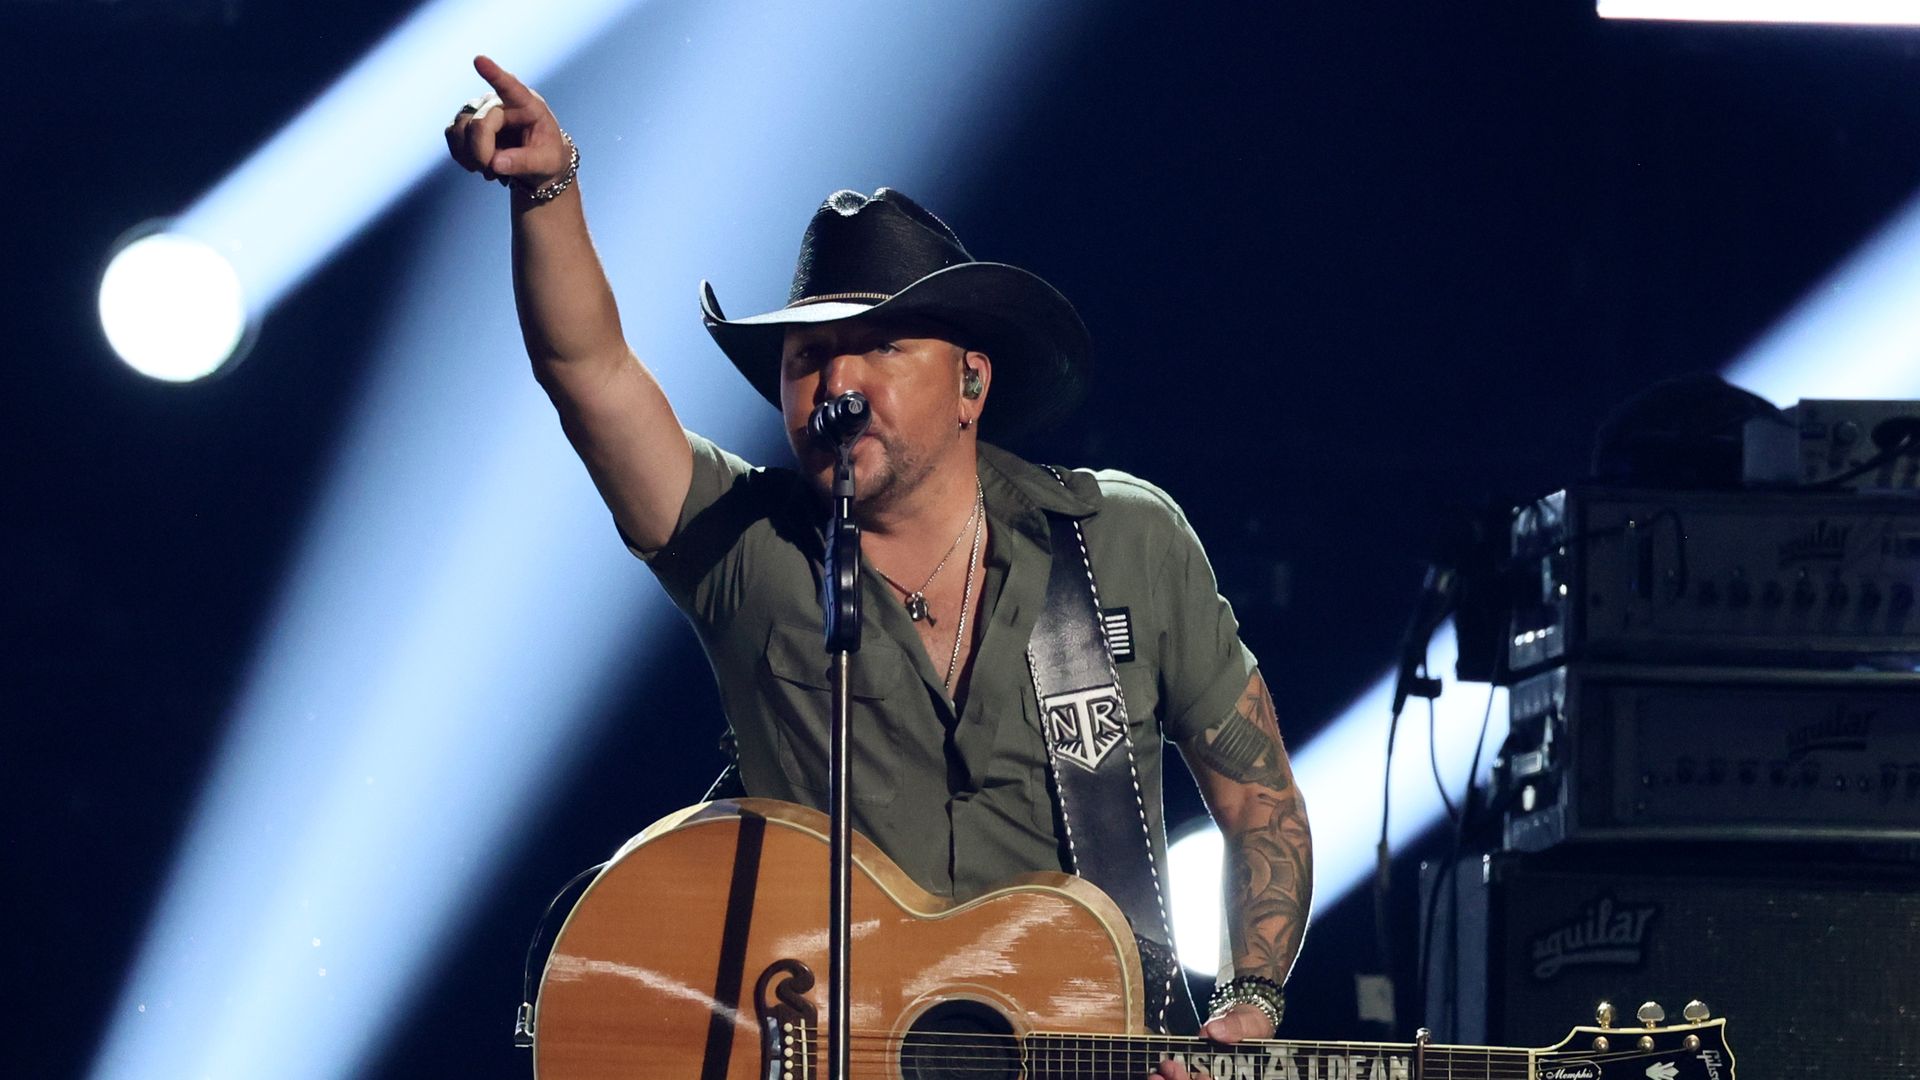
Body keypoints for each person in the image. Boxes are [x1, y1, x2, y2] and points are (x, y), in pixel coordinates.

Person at [445, 55, 1312, 1074]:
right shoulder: (745, 548)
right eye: (807, 356)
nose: (835, 383)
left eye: (880, 346)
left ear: (971, 383)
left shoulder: (1122, 543)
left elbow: (1261, 803)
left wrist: (1248, 1002)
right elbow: (587, 375)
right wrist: (545, 189)